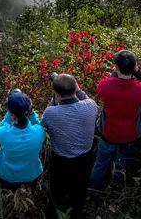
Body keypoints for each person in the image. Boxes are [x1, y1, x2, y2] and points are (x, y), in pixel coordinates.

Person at [89, 50, 141, 190]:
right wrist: (138, 72)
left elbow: (102, 86)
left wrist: (114, 75)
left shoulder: (105, 86)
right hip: (130, 136)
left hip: (108, 134)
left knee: (101, 163)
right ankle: (118, 187)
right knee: (122, 163)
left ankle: (95, 189)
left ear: (116, 67)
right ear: (134, 66)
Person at [40, 74, 98, 218]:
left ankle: (57, 211)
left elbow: (43, 125)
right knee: (80, 189)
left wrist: (54, 98)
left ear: (56, 93)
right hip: (85, 158)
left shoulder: (51, 112)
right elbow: (84, 98)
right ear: (76, 87)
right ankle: (76, 210)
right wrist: (77, 89)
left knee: (57, 189)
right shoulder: (91, 105)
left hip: (61, 160)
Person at [0, 89, 47, 189]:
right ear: (29, 110)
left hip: (6, 176)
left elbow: (3, 124)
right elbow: (37, 123)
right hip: (31, 175)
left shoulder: (3, 133)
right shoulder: (39, 132)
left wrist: (10, 111)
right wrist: (31, 112)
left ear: (11, 113)